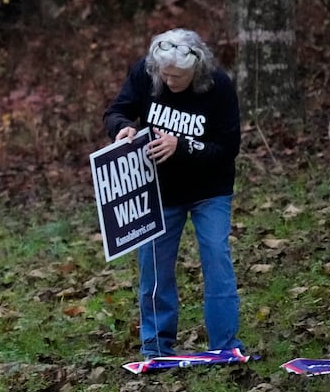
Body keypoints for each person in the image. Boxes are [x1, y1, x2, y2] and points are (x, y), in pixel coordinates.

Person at [103, 28, 242, 359]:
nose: (170, 81)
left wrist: (183, 147)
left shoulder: (218, 85)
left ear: (196, 68)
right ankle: (156, 347)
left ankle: (225, 345)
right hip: (160, 191)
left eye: (178, 76)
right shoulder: (146, 72)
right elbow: (115, 111)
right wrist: (122, 128)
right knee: (154, 268)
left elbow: (228, 148)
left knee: (217, 259)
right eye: (165, 75)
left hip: (211, 188)